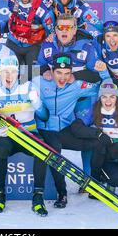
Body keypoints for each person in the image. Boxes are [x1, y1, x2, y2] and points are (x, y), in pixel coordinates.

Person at [38, 13, 109, 175]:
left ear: (75, 29)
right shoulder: (47, 46)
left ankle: (89, 177)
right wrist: (44, 72)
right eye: (60, 27)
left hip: (82, 99)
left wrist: (76, 76)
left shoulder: (86, 46)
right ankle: (54, 178)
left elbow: (96, 75)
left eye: (68, 27)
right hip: (60, 101)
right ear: (55, 29)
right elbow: (38, 67)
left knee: (85, 133)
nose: (64, 31)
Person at [0, 56, 49, 216]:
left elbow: (44, 116)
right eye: (5, 71)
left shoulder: (28, 87)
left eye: (12, 72)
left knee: (42, 149)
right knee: (0, 149)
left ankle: (38, 196)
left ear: (18, 73)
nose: (9, 75)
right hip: (7, 136)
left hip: (28, 133)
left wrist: (37, 104)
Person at [34, 54, 102, 208]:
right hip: (45, 131)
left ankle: (96, 180)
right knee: (54, 151)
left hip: (65, 130)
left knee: (96, 142)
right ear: (51, 70)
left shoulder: (76, 86)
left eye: (66, 74)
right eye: (58, 73)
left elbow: (101, 87)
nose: (62, 78)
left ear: (71, 73)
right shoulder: (38, 82)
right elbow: (21, 85)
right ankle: (62, 193)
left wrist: (103, 72)